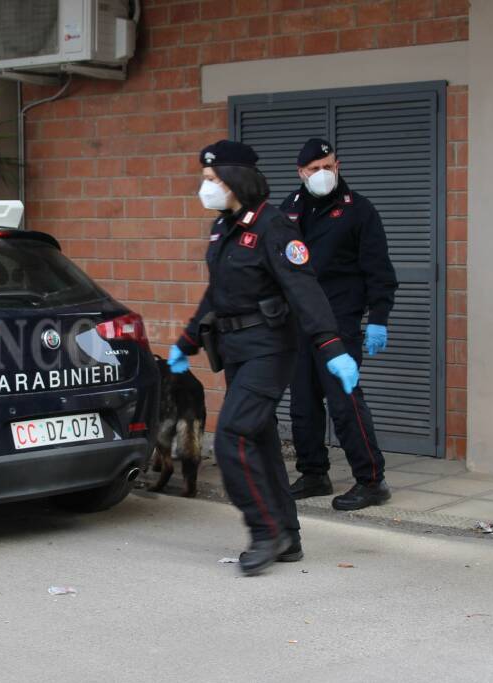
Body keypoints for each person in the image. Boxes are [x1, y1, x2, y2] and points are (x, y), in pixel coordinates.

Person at [167, 140, 360, 576]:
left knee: (233, 434)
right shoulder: (224, 227)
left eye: (212, 180)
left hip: (270, 349)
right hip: (234, 350)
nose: (206, 186)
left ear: (236, 180)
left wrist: (332, 349)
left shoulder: (273, 227)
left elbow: (304, 289)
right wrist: (186, 341)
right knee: (259, 439)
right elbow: (216, 293)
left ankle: (264, 530)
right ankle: (287, 536)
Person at [280, 139, 398, 511]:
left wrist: (378, 317)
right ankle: (314, 472)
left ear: (338, 165)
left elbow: (379, 270)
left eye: (327, 166)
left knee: (344, 400)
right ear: (300, 173)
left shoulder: (358, 210)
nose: (321, 174)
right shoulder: (289, 209)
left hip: (339, 319)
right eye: (313, 169)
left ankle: (372, 480)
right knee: (302, 401)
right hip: (298, 318)